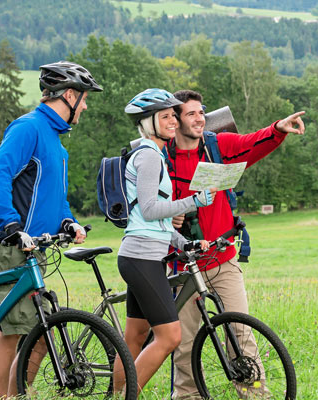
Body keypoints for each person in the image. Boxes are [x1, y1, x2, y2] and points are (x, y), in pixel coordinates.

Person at [164, 90, 305, 398]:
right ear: (174, 120)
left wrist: (278, 129)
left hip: (222, 259)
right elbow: (146, 206)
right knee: (185, 346)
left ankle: (255, 395)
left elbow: (251, 144)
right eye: (191, 114)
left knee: (241, 336)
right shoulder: (161, 158)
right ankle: (188, 397)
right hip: (182, 267)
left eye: (201, 112)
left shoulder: (217, 146)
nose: (200, 118)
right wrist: (168, 219)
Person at [0, 61, 101, 397]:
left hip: (34, 249)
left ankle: (15, 393)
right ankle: (2, 396)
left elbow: (53, 197)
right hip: (10, 244)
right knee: (16, 328)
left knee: (38, 330)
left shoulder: (56, 142)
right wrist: (10, 225)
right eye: (85, 98)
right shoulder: (28, 128)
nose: (86, 106)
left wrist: (68, 221)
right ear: (70, 95)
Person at [113, 88, 216, 392]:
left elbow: (153, 221)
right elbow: (150, 209)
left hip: (144, 254)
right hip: (142, 258)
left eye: (174, 115)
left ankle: (117, 394)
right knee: (170, 337)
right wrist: (193, 201)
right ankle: (128, 396)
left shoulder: (153, 154)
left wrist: (184, 245)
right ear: (148, 122)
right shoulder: (148, 157)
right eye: (166, 116)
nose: (173, 121)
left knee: (135, 336)